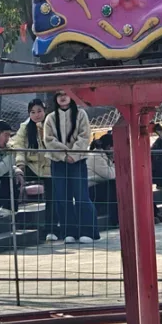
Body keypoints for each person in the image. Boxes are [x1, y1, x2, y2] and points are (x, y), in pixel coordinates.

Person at [43, 91, 99, 243]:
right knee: (62, 198)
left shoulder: (81, 114)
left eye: (66, 94)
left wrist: (73, 155)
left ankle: (88, 231)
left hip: (78, 161)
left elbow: (84, 136)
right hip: (57, 161)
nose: (63, 97)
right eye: (59, 94)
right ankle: (69, 232)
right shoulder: (50, 117)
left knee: (81, 196)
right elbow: (49, 140)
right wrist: (64, 155)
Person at [88, 132, 162, 228]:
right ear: (109, 147)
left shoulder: (107, 156)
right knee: (115, 185)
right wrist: (118, 165)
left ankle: (153, 212)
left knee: (135, 184)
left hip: (104, 186)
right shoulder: (96, 157)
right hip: (93, 191)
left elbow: (119, 172)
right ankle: (117, 220)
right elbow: (110, 175)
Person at [10, 98, 55, 239]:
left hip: (50, 166)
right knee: (13, 179)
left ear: (45, 111)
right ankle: (11, 216)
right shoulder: (24, 128)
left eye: (39, 111)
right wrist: (20, 165)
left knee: (53, 197)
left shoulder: (52, 124)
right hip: (32, 165)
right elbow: (19, 146)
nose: (36, 115)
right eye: (32, 112)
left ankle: (51, 229)